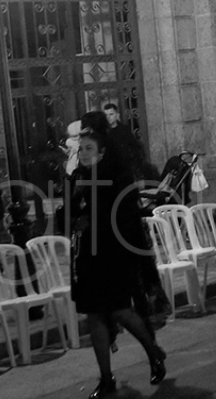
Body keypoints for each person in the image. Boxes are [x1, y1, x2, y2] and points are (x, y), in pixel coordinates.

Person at [69, 130, 166, 399]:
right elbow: (66, 215)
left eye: (89, 148)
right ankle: (106, 378)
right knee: (95, 315)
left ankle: (153, 352)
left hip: (113, 256)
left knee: (120, 310)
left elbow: (125, 219)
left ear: (102, 153)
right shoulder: (77, 178)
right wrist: (76, 203)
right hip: (86, 257)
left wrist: (93, 220)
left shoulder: (118, 180)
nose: (84, 153)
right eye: (81, 149)